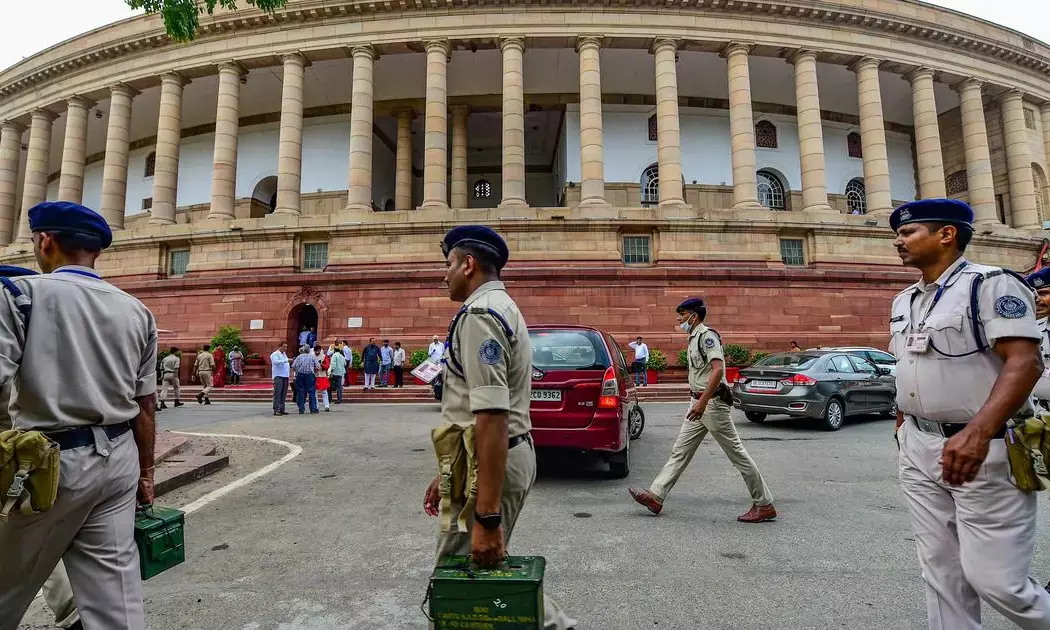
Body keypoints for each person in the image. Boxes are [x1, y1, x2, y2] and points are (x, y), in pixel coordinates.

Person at [889, 198, 1050, 629]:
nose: (898, 241)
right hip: (920, 445)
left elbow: (1025, 362)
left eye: (908, 233)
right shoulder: (905, 299)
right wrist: (904, 417)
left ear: (947, 234)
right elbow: (913, 364)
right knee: (941, 572)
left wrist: (977, 433)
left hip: (983, 448)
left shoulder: (991, 285)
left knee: (998, 582)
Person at [0, 200, 157, 630]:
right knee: (116, 606)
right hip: (119, 458)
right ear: (96, 252)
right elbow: (145, 405)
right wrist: (146, 473)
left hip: (48, 463)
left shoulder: (20, 294)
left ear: (45, 242)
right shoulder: (136, 309)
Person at [422, 225, 576, 629]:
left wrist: (487, 519)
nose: (445, 275)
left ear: (468, 264)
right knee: (478, 570)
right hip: (481, 460)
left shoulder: (480, 315)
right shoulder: (502, 307)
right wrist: (446, 472)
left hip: (489, 460)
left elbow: (491, 415)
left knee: (461, 575)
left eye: (449, 265)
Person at [629, 297, 776, 522]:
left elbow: (718, 371)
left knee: (737, 454)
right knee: (680, 451)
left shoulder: (707, 337)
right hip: (698, 403)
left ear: (694, 316)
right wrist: (697, 403)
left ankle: (764, 504)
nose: (679, 319)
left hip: (712, 405)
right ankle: (656, 496)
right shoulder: (693, 337)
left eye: (682, 314)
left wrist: (702, 403)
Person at [0, 265, 82, 630]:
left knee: (23, 533)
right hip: (41, 448)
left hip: (15, 445)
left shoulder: (11, 308)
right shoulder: (50, 318)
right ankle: (72, 610)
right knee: (35, 527)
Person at [1026, 268, 1050, 412]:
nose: (1037, 300)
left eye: (1043, 293)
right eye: (1033, 295)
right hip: (1038, 419)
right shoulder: (1029, 331)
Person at [291, 345, 320, 414]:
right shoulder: (312, 357)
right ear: (309, 350)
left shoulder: (299, 357)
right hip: (310, 375)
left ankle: (301, 409)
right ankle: (313, 409)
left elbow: (293, 366)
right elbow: (318, 366)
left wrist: (297, 371)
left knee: (301, 392)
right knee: (311, 392)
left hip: (300, 375)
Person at [270, 342, 290, 416]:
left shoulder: (284, 354)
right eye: (284, 347)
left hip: (285, 376)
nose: (285, 348)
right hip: (278, 376)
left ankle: (282, 408)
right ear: (280, 346)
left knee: (283, 394)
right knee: (278, 393)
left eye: (286, 347)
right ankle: (276, 409)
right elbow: (275, 362)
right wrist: (286, 361)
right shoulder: (275, 354)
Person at [314, 344, 331, 412]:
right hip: (315, 375)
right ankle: (316, 406)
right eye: (316, 351)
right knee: (315, 392)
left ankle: (327, 406)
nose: (317, 352)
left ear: (320, 350)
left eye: (318, 351)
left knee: (324, 391)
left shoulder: (324, 356)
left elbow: (327, 366)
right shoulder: (312, 357)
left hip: (322, 375)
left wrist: (321, 365)